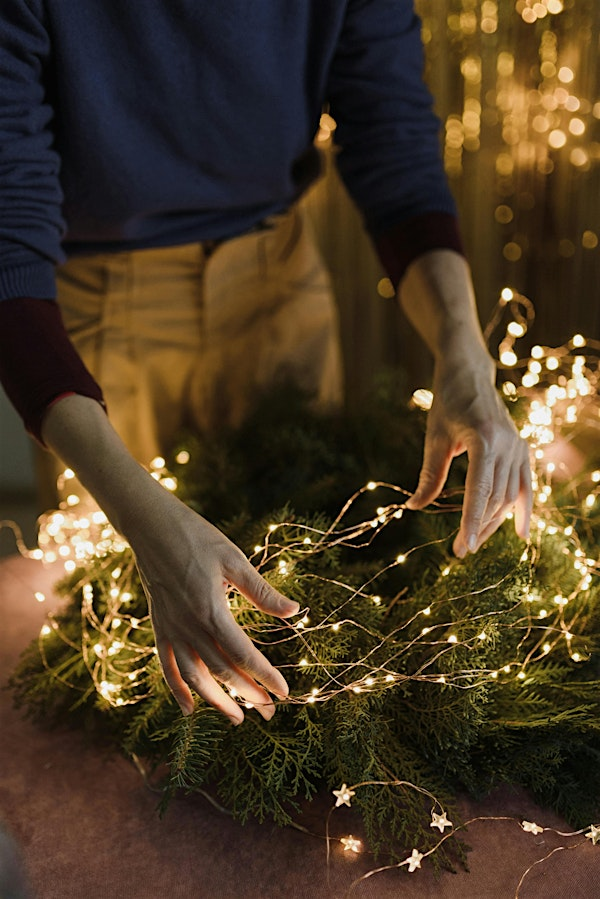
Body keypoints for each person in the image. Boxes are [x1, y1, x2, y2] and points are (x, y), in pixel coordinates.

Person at [0, 1, 532, 725]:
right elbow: (9, 248)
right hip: (98, 310)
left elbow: (396, 151)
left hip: (280, 285)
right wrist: (142, 522)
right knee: (139, 661)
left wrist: (465, 352)